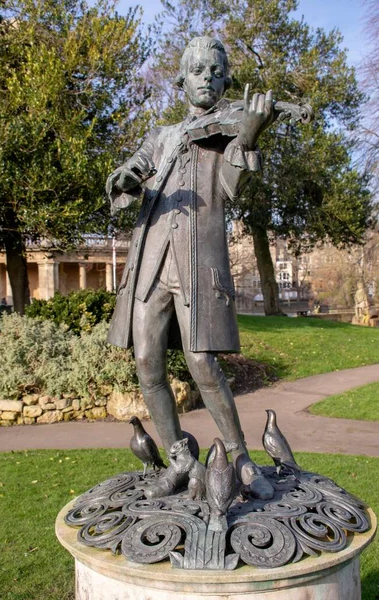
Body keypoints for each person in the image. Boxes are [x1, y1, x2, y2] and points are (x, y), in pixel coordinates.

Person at [106, 37, 275, 500]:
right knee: (147, 362)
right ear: (181, 80)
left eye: (215, 71)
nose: (206, 77)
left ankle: (240, 460)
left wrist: (250, 135)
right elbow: (130, 172)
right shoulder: (160, 136)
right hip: (150, 263)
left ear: (225, 81)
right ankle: (181, 459)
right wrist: (122, 177)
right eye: (197, 70)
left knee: (203, 365)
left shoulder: (225, 136)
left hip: (196, 266)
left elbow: (230, 187)